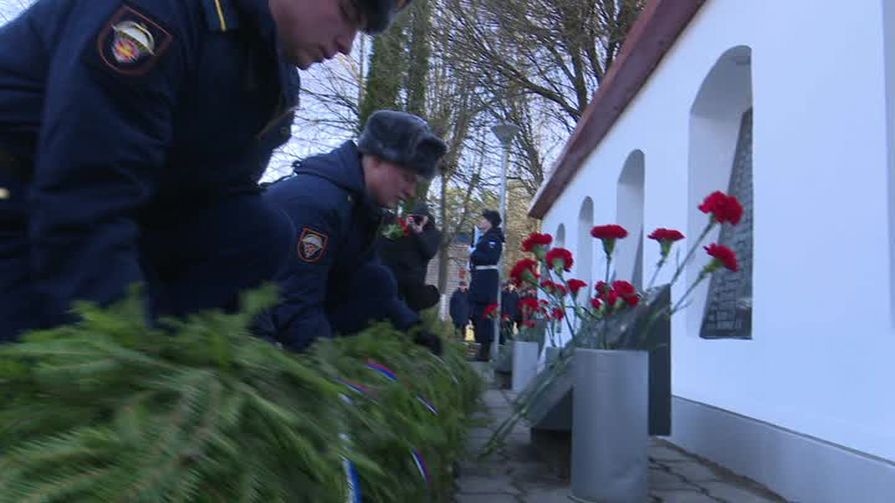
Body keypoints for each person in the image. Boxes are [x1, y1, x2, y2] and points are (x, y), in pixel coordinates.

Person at [0, 0, 411, 341]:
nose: (345, 46)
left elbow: (223, 195)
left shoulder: (271, 75)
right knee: (38, 373)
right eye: (346, 13)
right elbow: (87, 187)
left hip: (116, 210)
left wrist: (257, 347)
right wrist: (122, 348)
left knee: (261, 234)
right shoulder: (156, 12)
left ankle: (173, 357)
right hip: (23, 196)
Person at [261, 110, 447, 353]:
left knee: (378, 281)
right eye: (407, 178)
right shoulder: (317, 205)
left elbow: (368, 274)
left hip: (286, 306)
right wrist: (329, 372)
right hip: (243, 318)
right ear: (377, 159)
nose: (411, 192)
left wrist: (411, 329)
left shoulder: (357, 206)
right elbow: (295, 300)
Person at [377, 201, 442, 312]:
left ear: (426, 219)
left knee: (407, 312)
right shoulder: (403, 227)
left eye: (420, 218)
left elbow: (429, 252)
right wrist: (404, 227)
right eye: (414, 217)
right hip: (394, 277)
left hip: (413, 283)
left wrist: (418, 232)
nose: (417, 220)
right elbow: (385, 240)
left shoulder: (433, 233)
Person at [468, 209, 504, 361]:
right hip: (480, 278)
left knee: (484, 314)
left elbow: (491, 258)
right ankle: (482, 347)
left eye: (484, 220)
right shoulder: (485, 238)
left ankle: (485, 350)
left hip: (486, 280)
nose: (481, 222)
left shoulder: (493, 239)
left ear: (490, 222)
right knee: (476, 313)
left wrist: (473, 253)